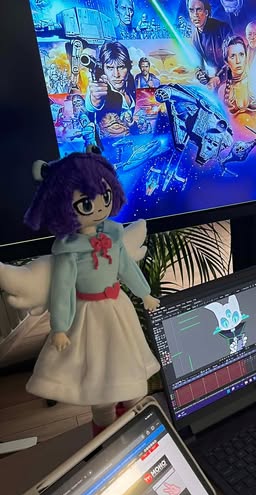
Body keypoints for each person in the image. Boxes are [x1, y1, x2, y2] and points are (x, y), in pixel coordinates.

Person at [21, 149, 160, 434]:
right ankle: (106, 431)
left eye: (105, 198)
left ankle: (135, 421)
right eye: (86, 204)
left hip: (118, 308)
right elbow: (62, 288)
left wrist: (144, 292)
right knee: (99, 378)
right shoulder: (69, 250)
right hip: (89, 317)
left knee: (128, 365)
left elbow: (126, 267)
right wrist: (60, 327)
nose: (98, 208)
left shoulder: (113, 234)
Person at [86, 42, 136, 123]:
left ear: (128, 68)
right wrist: (95, 99)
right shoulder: (100, 86)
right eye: (110, 68)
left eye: (121, 67)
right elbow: (92, 104)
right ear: (103, 69)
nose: (116, 74)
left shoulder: (132, 84)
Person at [188, 0, 232, 89]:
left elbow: (233, 58)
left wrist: (219, 77)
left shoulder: (223, 29)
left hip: (232, 79)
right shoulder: (194, 39)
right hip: (214, 82)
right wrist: (200, 75)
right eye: (191, 10)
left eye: (199, 10)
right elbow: (198, 66)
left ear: (206, 12)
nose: (195, 14)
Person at [218, 35, 256, 116]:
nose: (238, 61)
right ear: (226, 62)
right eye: (233, 56)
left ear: (246, 57)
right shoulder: (222, 91)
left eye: (241, 54)